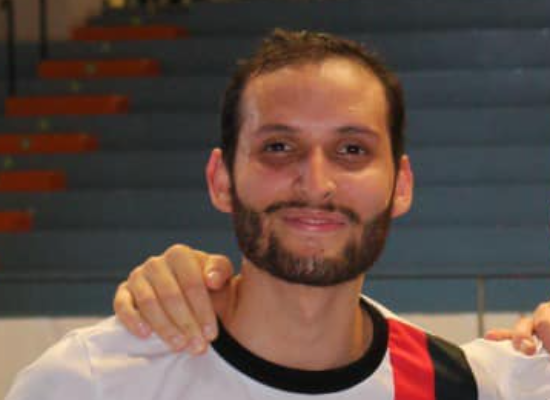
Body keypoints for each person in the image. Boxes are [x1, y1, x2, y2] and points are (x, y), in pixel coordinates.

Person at [6, 29, 550, 400]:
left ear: (400, 185)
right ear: (221, 179)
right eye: (279, 148)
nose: (315, 183)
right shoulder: (91, 382)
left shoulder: (463, 386)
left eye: (352, 150)